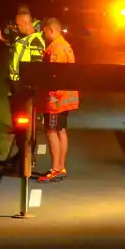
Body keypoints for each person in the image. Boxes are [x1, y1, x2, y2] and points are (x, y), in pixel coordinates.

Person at [0, 7, 45, 170]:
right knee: (18, 124)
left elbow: (37, 68)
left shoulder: (35, 41)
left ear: (25, 22)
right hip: (15, 87)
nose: (16, 27)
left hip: (25, 89)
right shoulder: (20, 39)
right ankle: (21, 154)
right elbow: (2, 37)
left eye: (18, 24)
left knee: (24, 124)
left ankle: (26, 157)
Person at [37, 17, 77, 182]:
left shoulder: (56, 49)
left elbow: (54, 76)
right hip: (66, 97)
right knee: (60, 131)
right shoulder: (65, 46)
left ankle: (56, 169)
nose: (43, 34)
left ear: (51, 30)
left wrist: (47, 95)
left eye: (44, 31)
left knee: (51, 131)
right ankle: (61, 166)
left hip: (56, 99)